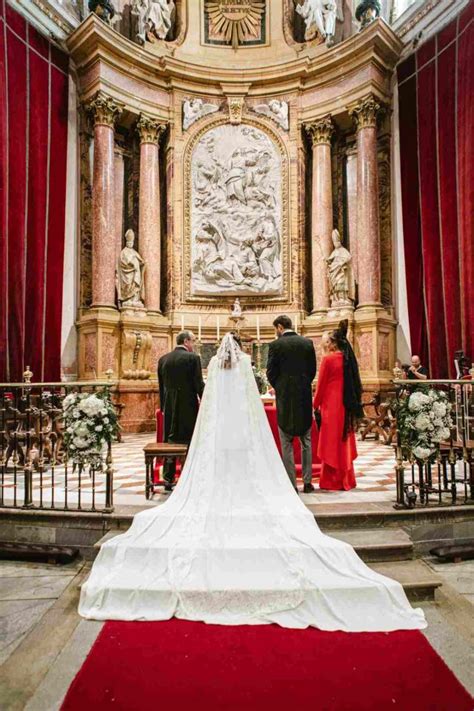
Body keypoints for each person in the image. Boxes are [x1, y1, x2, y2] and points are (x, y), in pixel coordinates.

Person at [79, 333, 426, 633]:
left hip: (219, 429)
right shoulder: (246, 365)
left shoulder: (213, 365)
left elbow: (210, 398)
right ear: (242, 351)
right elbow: (252, 398)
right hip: (243, 428)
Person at [266, 315, 317, 493]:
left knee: (286, 441)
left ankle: (291, 484)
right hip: (303, 395)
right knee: (306, 441)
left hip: (285, 397)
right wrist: (302, 383)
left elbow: (270, 372)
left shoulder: (275, 345)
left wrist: (280, 386)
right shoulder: (307, 343)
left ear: (280, 327)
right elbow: (312, 370)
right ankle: (308, 482)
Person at [313, 320, 363, 491]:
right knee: (344, 439)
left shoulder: (328, 359)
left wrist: (314, 404)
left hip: (331, 405)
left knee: (331, 440)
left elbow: (320, 386)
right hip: (345, 403)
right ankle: (347, 478)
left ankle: (331, 481)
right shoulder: (347, 358)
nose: (325, 344)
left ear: (333, 343)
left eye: (326, 341)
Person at [157, 331, 204, 492]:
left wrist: (163, 407)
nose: (194, 345)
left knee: (170, 440)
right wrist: (205, 399)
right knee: (188, 440)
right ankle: (189, 477)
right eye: (193, 341)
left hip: (169, 406)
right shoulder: (193, 358)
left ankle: (168, 477)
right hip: (188, 405)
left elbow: (161, 387)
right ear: (186, 341)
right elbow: (198, 383)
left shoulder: (163, 359)